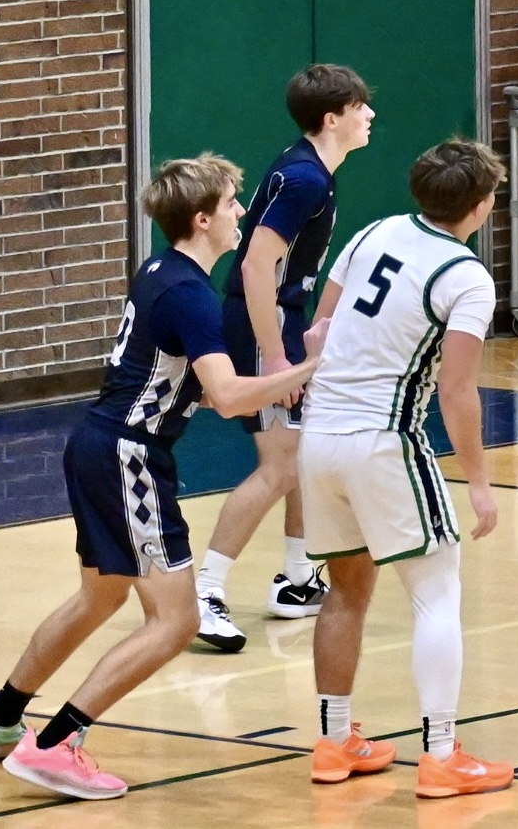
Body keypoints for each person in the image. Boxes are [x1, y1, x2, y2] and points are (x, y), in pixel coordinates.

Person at [0, 157, 326, 800]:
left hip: (98, 442)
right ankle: (55, 744)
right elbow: (232, 397)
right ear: (203, 218)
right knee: (176, 621)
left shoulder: (160, 271)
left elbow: (177, 380)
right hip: (130, 456)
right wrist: (306, 369)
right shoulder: (190, 293)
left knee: (100, 596)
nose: (243, 212)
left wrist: (210, 393)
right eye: (234, 203)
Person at [299, 140, 515, 798]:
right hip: (382, 439)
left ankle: (334, 745)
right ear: (481, 207)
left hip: (320, 434)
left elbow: (319, 328)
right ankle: (442, 755)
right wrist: (478, 480)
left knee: (345, 589)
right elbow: (456, 391)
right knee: (437, 589)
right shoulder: (467, 277)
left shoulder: (374, 232)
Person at [193, 65, 374, 654]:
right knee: (280, 463)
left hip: (281, 321)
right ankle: (206, 591)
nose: (370, 116)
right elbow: (253, 267)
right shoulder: (304, 180)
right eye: (360, 107)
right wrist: (274, 354)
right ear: (332, 117)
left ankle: (298, 579)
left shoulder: (309, 169)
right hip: (260, 325)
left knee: (302, 452)